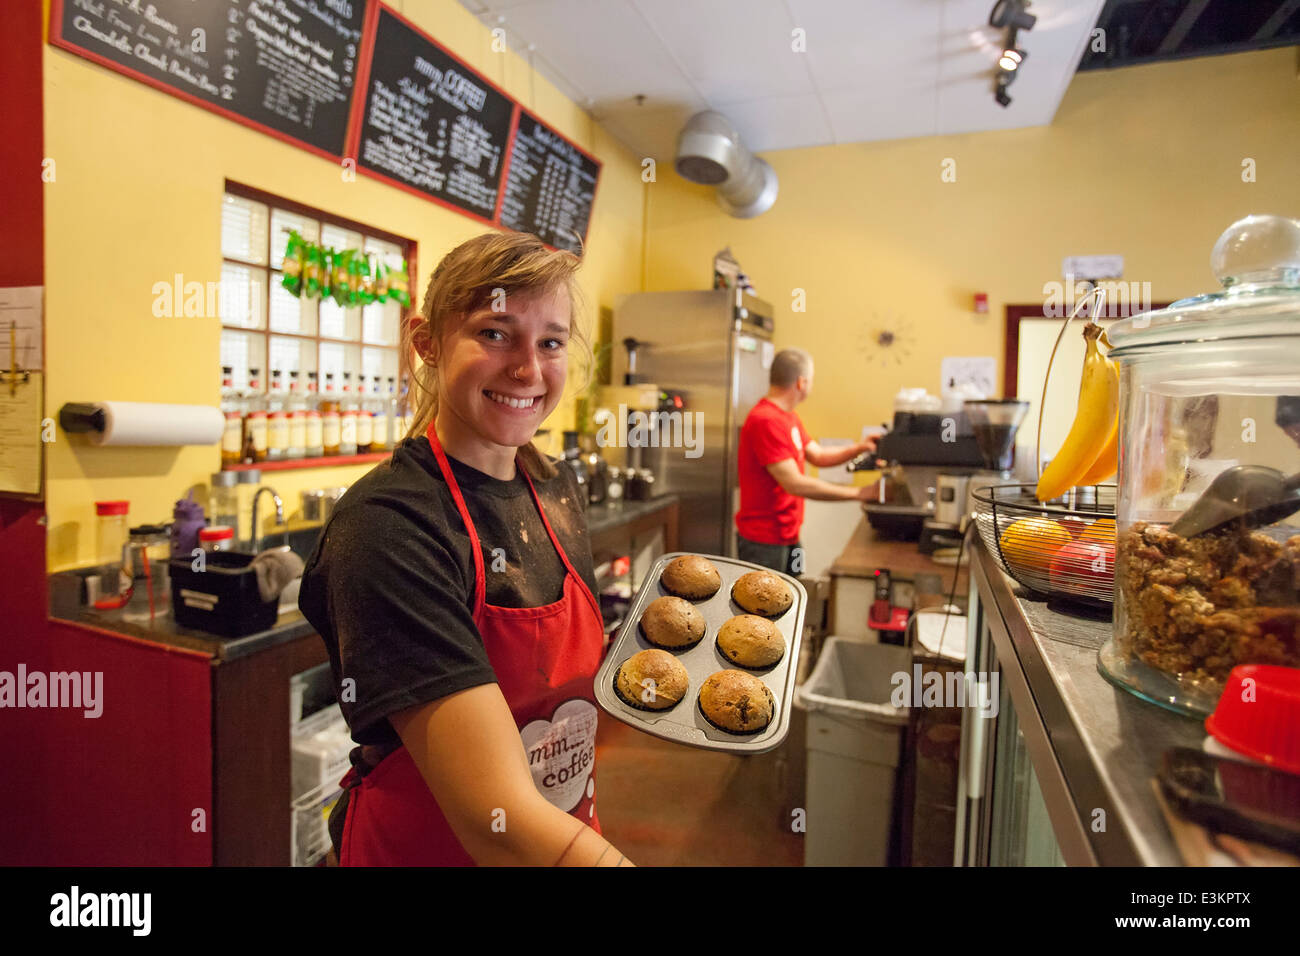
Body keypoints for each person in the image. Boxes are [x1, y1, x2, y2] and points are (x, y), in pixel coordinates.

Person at [299, 232, 634, 866]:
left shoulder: (556, 487)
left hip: (559, 837)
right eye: (496, 333)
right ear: (426, 342)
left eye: (551, 342)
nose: (528, 370)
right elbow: (491, 819)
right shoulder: (389, 526)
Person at [735, 348, 880, 576]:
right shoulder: (766, 420)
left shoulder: (788, 417)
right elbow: (795, 484)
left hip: (788, 534)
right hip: (764, 541)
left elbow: (818, 455)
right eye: (811, 380)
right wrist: (858, 493)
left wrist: (859, 448)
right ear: (801, 382)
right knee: (766, 609)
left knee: (790, 598)